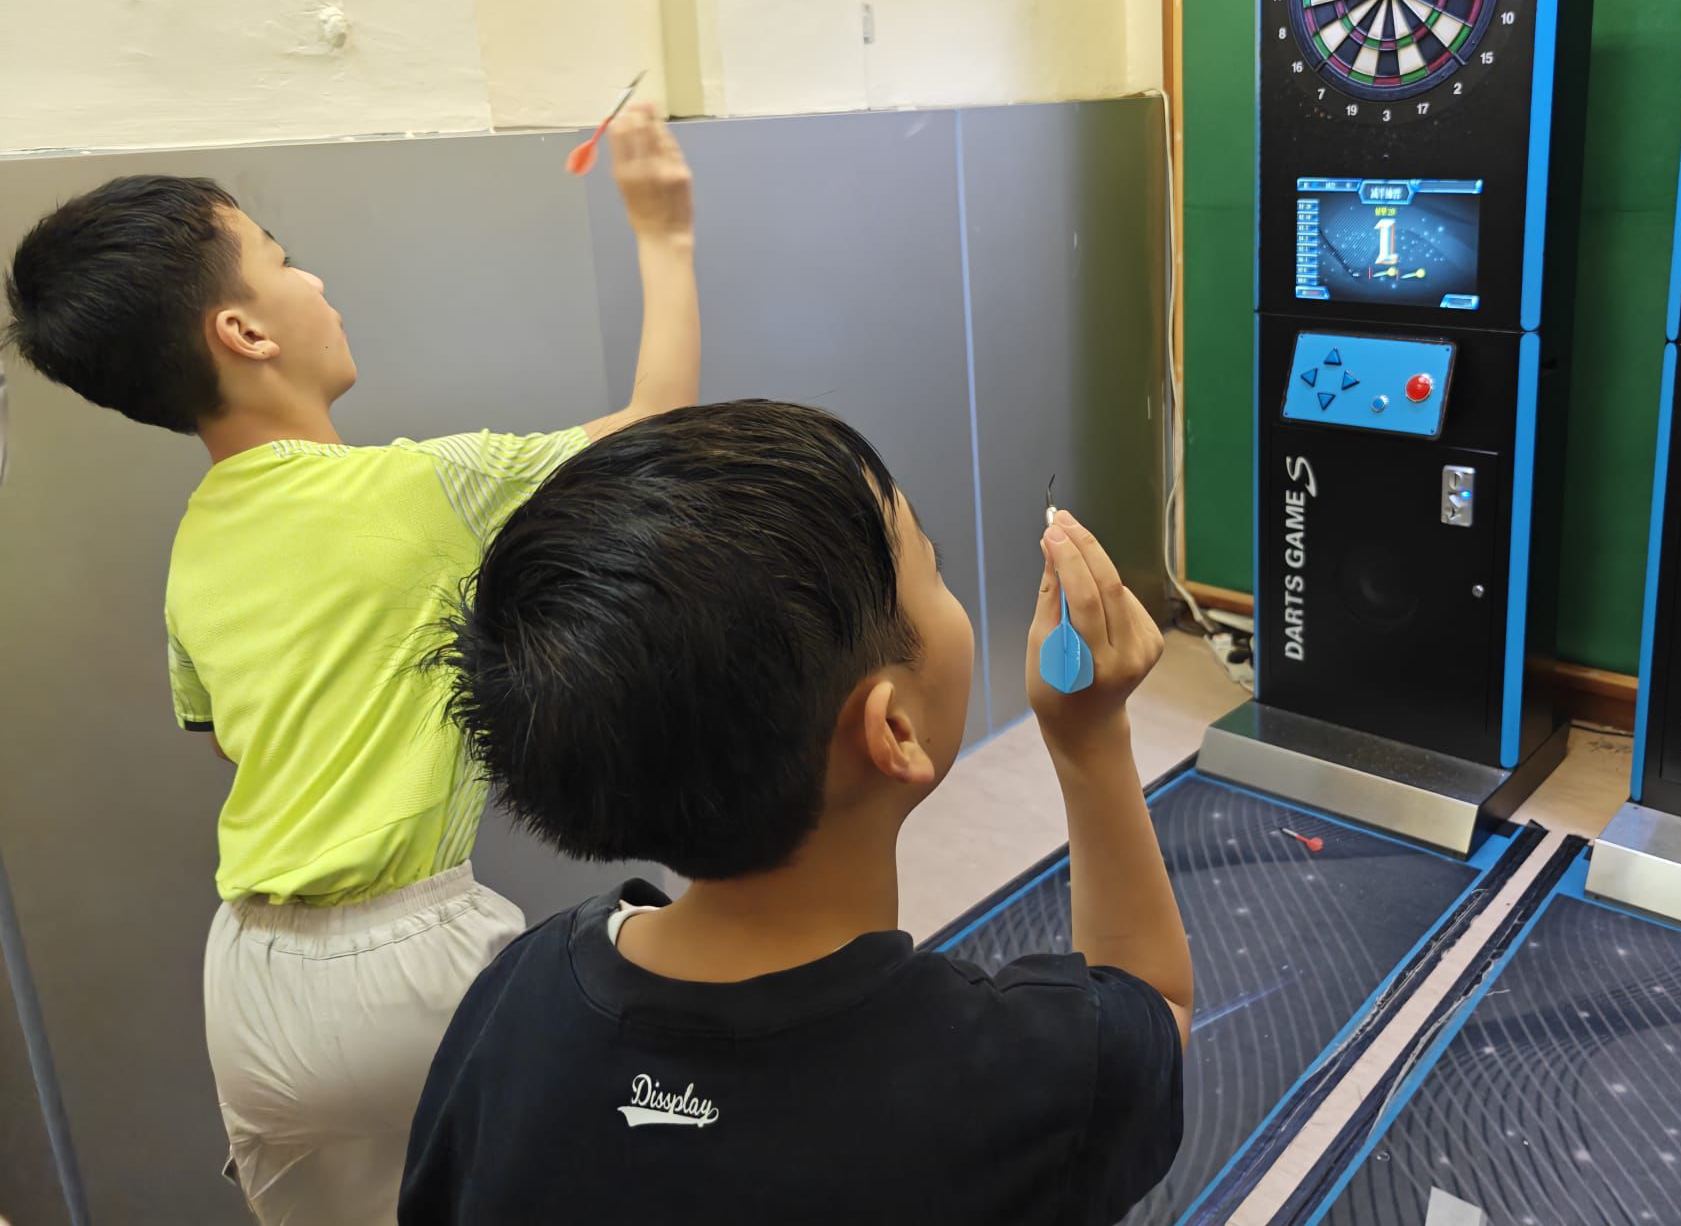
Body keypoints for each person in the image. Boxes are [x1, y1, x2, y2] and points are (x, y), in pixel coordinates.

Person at [0, 108, 702, 1224]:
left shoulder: (193, 547)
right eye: (284, 261)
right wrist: (663, 231)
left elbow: (231, 738)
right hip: (409, 961)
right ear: (245, 330)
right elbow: (660, 425)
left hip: (248, 980)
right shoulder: (422, 490)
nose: (315, 280)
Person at [400, 401, 1192, 1225]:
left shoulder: (512, 998)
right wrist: (1090, 742)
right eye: (935, 568)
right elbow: (1152, 1008)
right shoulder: (1016, 1076)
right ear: (894, 730)